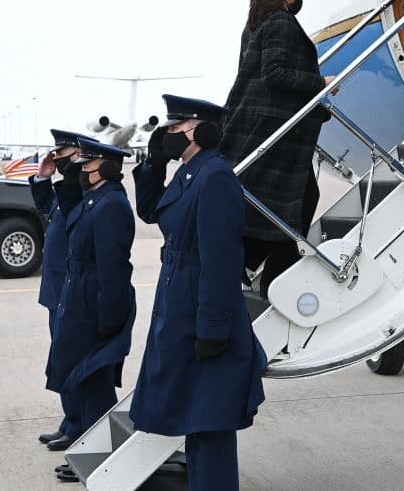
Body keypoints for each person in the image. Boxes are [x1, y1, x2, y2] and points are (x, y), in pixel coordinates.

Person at [131, 94, 267, 491]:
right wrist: (154, 162)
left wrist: (212, 328)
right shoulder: (189, 172)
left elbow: (221, 261)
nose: (169, 134)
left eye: (176, 128)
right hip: (179, 303)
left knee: (210, 420)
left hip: (200, 309)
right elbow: (152, 210)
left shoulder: (216, 177)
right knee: (193, 413)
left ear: (201, 131)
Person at [220, 0, 333, 298]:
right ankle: (272, 278)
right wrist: (320, 84)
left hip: (250, 123)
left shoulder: (254, 24)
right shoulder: (282, 22)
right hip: (276, 130)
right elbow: (275, 74)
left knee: (260, 204)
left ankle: (246, 265)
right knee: (299, 204)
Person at [45, 138, 136, 462]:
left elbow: (113, 267)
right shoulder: (95, 199)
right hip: (80, 297)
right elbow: (70, 215)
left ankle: (98, 458)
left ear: (107, 169)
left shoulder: (112, 204)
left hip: (93, 301)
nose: (82, 170)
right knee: (79, 377)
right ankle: (85, 448)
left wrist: (109, 316)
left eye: (88, 165)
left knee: (94, 381)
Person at [29, 130, 86, 449]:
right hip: (56, 288)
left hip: (68, 288)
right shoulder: (67, 191)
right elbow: (49, 208)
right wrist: (42, 177)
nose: (58, 158)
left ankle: (77, 424)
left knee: (70, 356)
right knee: (62, 357)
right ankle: (70, 420)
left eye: (63, 154)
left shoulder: (80, 190)